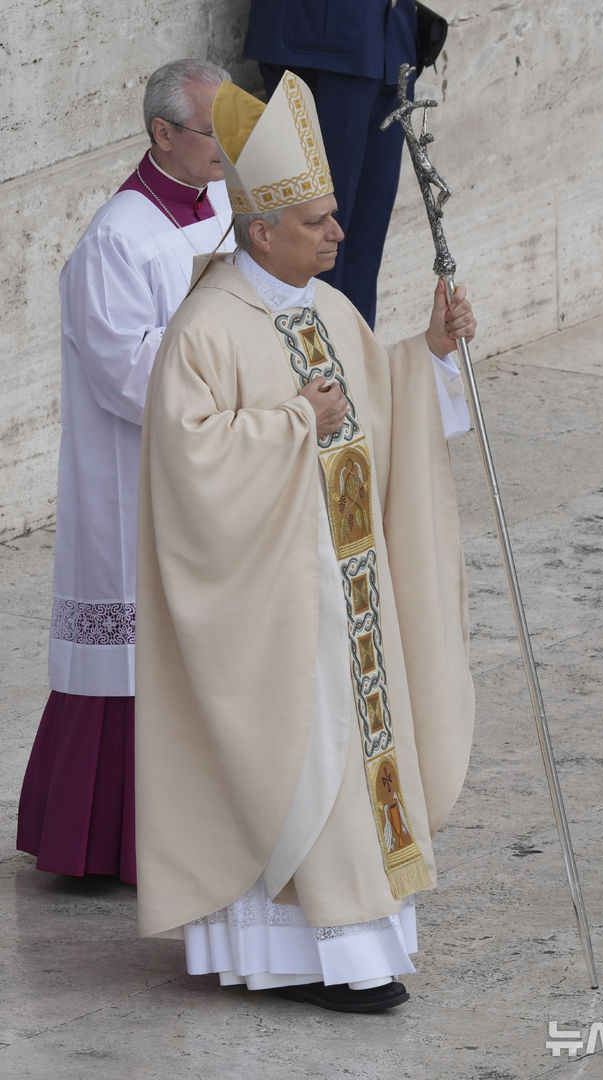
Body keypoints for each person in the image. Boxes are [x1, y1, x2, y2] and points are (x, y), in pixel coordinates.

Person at [134, 72, 476, 1013]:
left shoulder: (327, 309)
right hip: (276, 610)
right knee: (306, 758)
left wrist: (431, 356)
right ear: (261, 232)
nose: (337, 233)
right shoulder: (205, 332)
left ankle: (358, 947)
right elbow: (188, 466)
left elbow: (380, 402)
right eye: (319, 220)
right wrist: (293, 423)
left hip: (348, 593)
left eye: (333, 218)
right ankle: (306, 957)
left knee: (356, 754)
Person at [16, 58, 234, 885]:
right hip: (130, 481)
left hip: (205, 470)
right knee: (127, 668)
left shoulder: (218, 201)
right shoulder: (117, 239)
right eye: (218, 133)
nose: (229, 149)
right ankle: (98, 841)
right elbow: (125, 374)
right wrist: (229, 377)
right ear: (163, 134)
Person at [243, 0, 418, 328]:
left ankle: (356, 362)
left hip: (388, 40)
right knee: (316, 234)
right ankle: (315, 367)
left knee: (365, 239)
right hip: (321, 41)